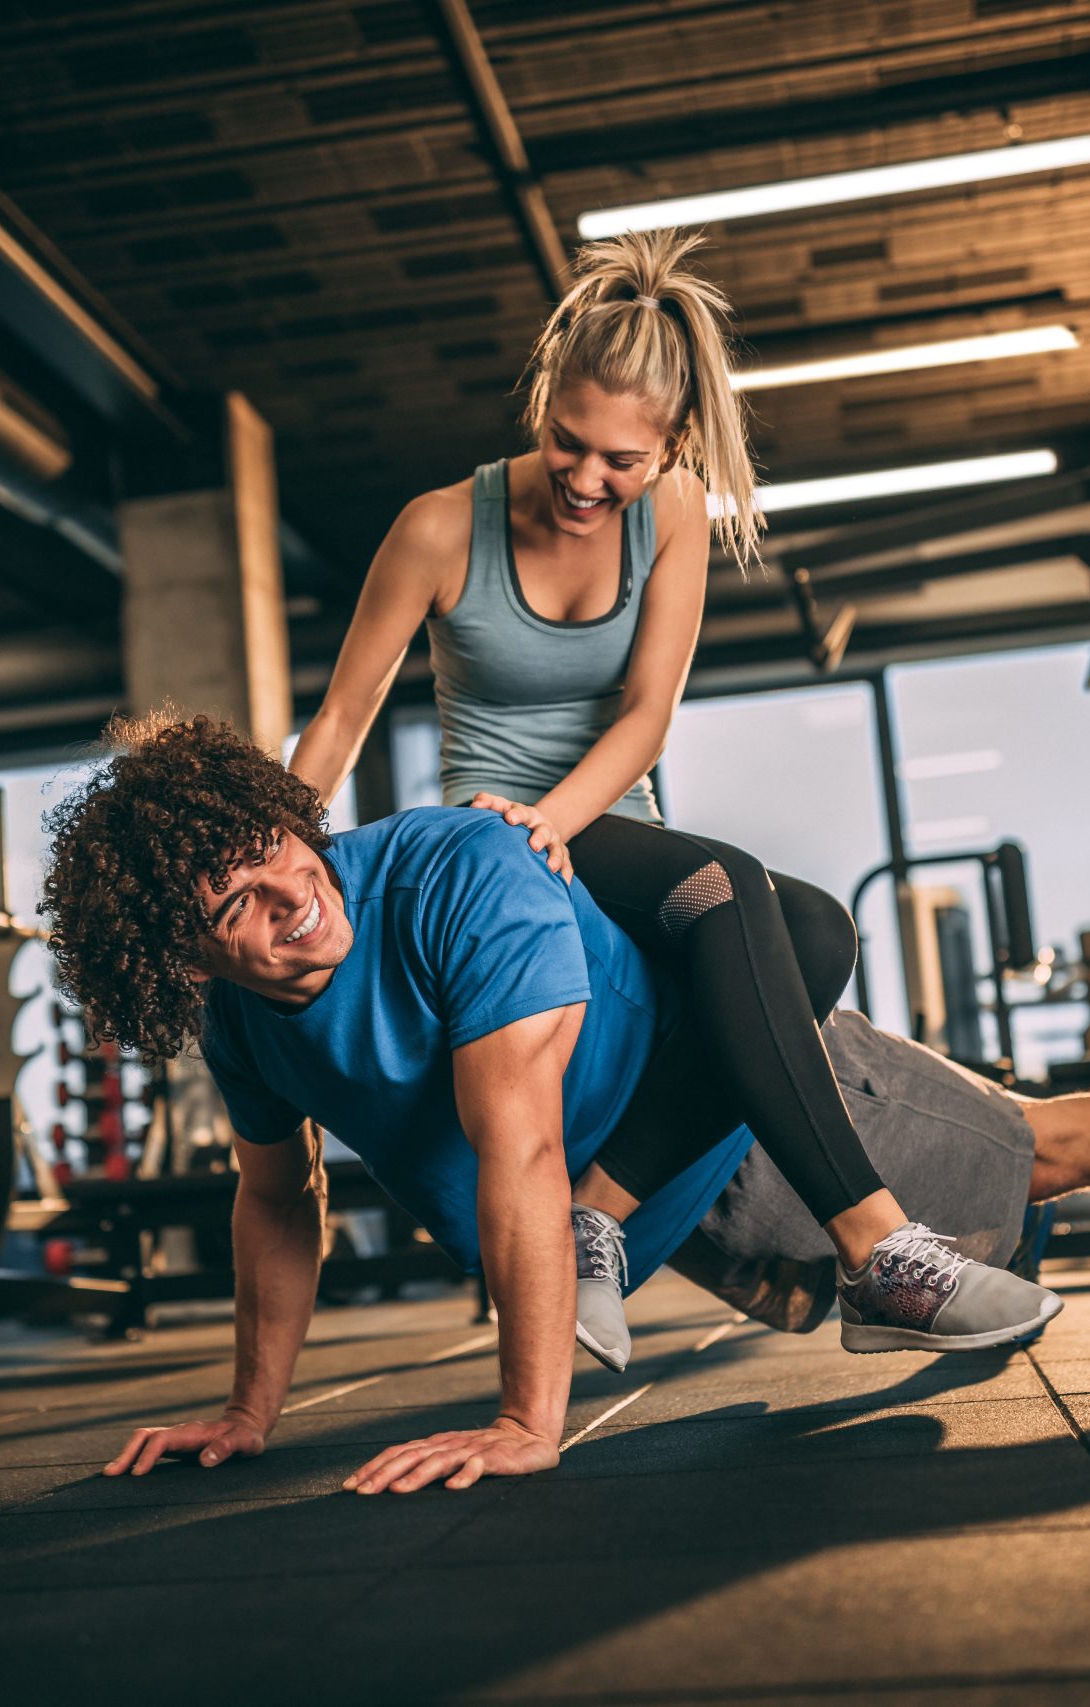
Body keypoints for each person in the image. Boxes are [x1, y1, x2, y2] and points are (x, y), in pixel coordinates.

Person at [47, 716, 1090, 1496]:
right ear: (190, 954)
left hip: (740, 1100)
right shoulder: (245, 1025)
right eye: (234, 904)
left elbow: (522, 1148)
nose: (289, 899)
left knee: (1035, 1150)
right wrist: (248, 1410)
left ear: (291, 814)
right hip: (675, 1213)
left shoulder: (451, 870)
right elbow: (278, 1196)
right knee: (988, 1204)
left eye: (277, 849)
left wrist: (526, 1420)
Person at [286, 230, 925, 1371]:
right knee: (731, 884)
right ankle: (874, 1245)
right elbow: (340, 720)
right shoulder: (441, 525)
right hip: (482, 839)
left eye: (620, 462)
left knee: (818, 928)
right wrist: (266, 860)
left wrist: (560, 821)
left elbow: (646, 717)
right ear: (542, 402)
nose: (588, 482)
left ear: (671, 445)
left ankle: (595, 1216)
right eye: (565, 443)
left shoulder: (672, 509)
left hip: (598, 824)